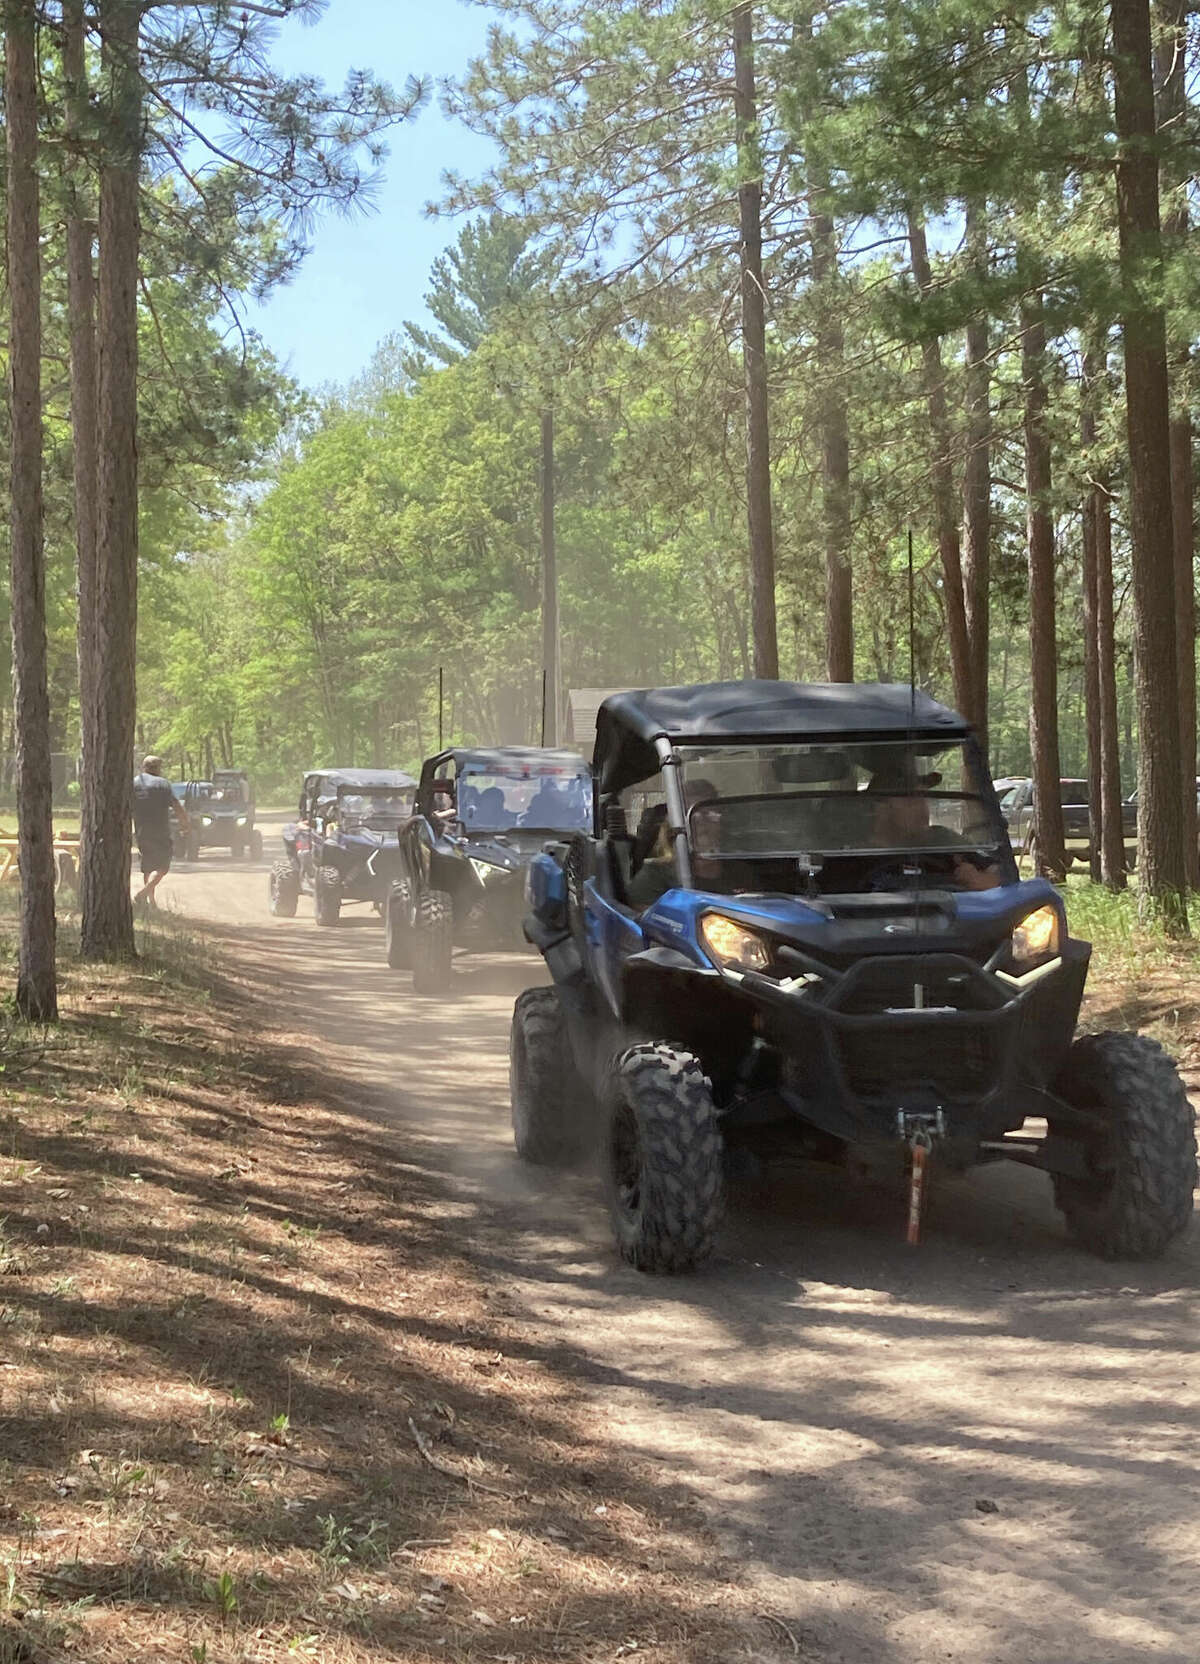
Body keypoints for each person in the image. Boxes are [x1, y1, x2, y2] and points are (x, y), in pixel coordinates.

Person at [865, 758, 999, 892]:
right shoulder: (858, 855)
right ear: (879, 808)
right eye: (911, 801)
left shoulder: (944, 840)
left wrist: (980, 879)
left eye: (924, 798)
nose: (923, 808)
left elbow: (1002, 873)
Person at [627, 779, 720, 908]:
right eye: (690, 815)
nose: (700, 821)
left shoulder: (739, 869)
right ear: (673, 826)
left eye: (709, 814)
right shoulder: (653, 877)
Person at [133, 755, 190, 910]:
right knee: (162, 867)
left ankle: (151, 903)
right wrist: (185, 824)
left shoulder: (134, 783)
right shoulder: (163, 784)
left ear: (144, 767)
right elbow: (176, 806)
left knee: (147, 866)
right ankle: (143, 894)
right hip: (161, 832)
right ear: (158, 768)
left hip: (142, 831)